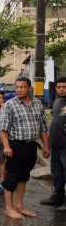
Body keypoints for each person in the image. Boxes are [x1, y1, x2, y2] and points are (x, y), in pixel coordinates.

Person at [0, 77, 50, 220]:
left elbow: (43, 127)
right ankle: (9, 208)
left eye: (22, 87)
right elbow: (3, 129)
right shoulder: (10, 104)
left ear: (29, 88)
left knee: (23, 177)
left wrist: (46, 145)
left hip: (31, 146)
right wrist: (7, 147)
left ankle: (19, 206)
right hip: (15, 146)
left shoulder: (38, 104)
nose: (19, 90)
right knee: (12, 177)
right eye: (17, 87)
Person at [40, 76, 66, 212]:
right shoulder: (56, 102)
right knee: (57, 172)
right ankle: (57, 196)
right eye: (59, 87)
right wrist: (47, 143)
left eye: (64, 87)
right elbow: (54, 121)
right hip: (55, 143)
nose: (62, 89)